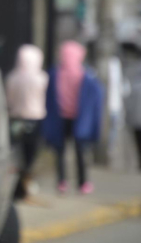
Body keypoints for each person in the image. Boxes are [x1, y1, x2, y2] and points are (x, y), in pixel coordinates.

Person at [42, 40, 103, 195]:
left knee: (60, 152)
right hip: (77, 119)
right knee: (80, 152)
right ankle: (82, 183)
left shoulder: (55, 74)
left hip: (61, 117)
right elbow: (96, 98)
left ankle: (62, 181)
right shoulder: (85, 75)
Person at [6, 45, 48, 199]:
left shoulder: (12, 77)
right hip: (35, 120)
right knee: (30, 157)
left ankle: (15, 186)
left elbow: (9, 99)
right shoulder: (41, 78)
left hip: (16, 119)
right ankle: (26, 185)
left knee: (16, 154)